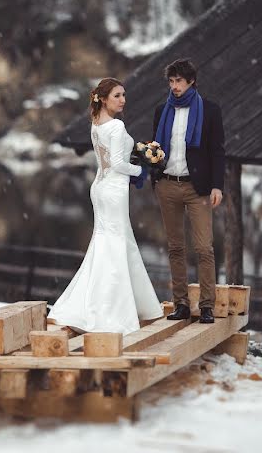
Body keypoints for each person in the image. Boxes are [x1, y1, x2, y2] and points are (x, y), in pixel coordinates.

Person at [48, 78, 164, 335]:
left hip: (100, 187)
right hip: (113, 188)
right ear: (103, 98)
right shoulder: (116, 125)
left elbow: (107, 160)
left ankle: (96, 305)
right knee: (114, 245)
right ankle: (111, 313)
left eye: (123, 95)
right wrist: (142, 168)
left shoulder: (96, 124)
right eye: (117, 95)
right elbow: (118, 165)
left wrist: (140, 151)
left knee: (106, 244)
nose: (123, 100)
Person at [151, 58, 226, 324]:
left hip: (198, 188)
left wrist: (217, 185)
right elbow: (156, 149)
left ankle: (207, 306)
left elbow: (217, 151)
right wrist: (154, 176)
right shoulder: (162, 111)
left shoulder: (210, 110)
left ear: (191, 81)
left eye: (179, 81)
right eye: (171, 82)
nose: (175, 87)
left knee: (204, 248)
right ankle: (181, 304)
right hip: (168, 184)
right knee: (175, 248)